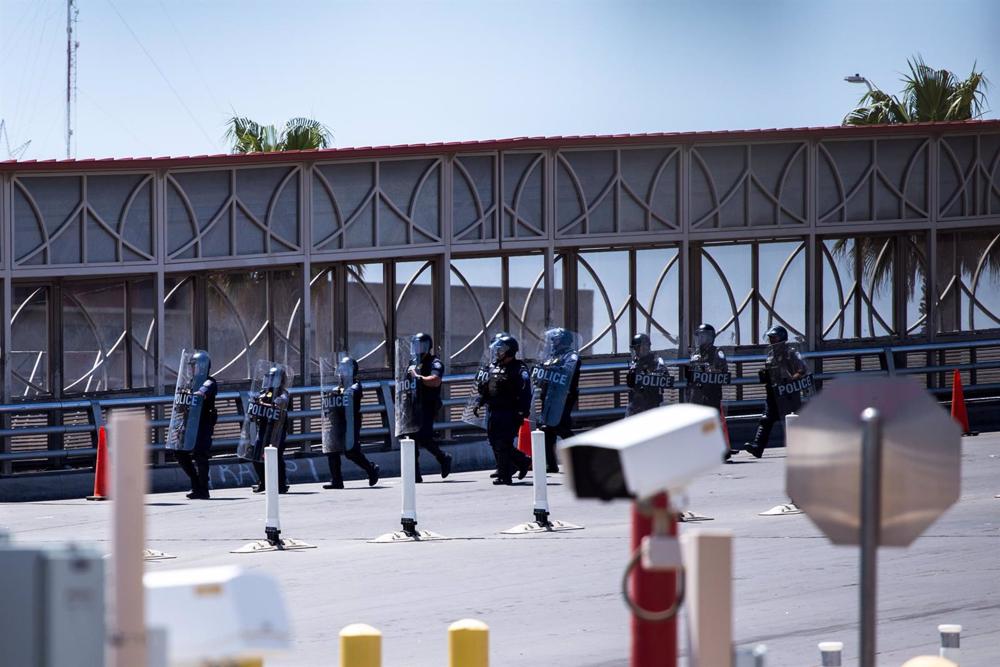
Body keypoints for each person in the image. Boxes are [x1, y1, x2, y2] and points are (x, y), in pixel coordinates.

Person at [473, 334, 532, 485]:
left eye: (502, 350)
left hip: (510, 411)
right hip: (494, 410)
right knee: (494, 441)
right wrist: (479, 403)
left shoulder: (519, 369)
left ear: (510, 351)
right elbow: (488, 388)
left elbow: (525, 391)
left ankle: (505, 476)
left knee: (503, 443)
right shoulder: (494, 366)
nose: (498, 353)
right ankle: (522, 461)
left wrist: (522, 411)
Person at [743, 325, 809, 459]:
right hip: (774, 392)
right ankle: (757, 447)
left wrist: (791, 380)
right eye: (771, 338)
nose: (772, 341)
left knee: (791, 420)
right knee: (766, 419)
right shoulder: (771, 354)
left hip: (788, 393)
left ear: (782, 338)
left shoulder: (790, 353)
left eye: (775, 338)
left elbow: (802, 369)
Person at [400, 333, 452, 483]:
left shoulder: (434, 362)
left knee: (424, 437)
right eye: (415, 345)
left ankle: (443, 458)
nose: (417, 348)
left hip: (427, 405)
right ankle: (414, 475)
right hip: (412, 406)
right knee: (411, 437)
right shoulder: (412, 363)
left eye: (420, 345)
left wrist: (419, 378)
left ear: (427, 346)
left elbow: (435, 380)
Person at [323, 355, 380, 489]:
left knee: (351, 451)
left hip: (351, 423)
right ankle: (337, 480)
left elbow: (351, 393)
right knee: (332, 450)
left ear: (352, 371)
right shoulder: (338, 387)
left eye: (346, 369)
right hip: (337, 422)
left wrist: (337, 393)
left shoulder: (355, 385)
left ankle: (371, 469)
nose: (343, 372)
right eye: (341, 369)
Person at [532, 327, 581, 473]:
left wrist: (549, 369)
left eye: (556, 339)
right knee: (546, 429)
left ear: (564, 340)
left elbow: (567, 370)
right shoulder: (551, 356)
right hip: (548, 396)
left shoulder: (571, 356)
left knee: (561, 427)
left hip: (563, 397)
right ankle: (550, 464)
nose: (553, 343)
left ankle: (580, 457)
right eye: (552, 340)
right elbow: (540, 373)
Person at [174, 351, 218, 500]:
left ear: (202, 367)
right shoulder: (190, 382)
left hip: (203, 425)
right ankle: (195, 483)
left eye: (195, 366)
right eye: (191, 366)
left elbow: (202, 392)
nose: (192, 369)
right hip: (189, 424)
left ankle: (203, 489)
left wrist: (197, 393)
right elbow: (182, 402)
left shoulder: (209, 382)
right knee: (179, 452)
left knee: (200, 455)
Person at [250, 365, 290, 493]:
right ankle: (263, 481)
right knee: (256, 457)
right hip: (263, 430)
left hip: (277, 431)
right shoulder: (264, 394)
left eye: (273, 378)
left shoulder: (284, 393)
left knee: (276, 458)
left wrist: (266, 404)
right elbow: (255, 410)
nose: (269, 381)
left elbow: (281, 402)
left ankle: (281, 484)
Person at [625, 333, 672, 417]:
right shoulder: (635, 363)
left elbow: (667, 380)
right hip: (635, 405)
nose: (636, 351)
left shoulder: (657, 361)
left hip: (652, 405)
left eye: (637, 348)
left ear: (645, 347)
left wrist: (654, 375)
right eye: (635, 349)